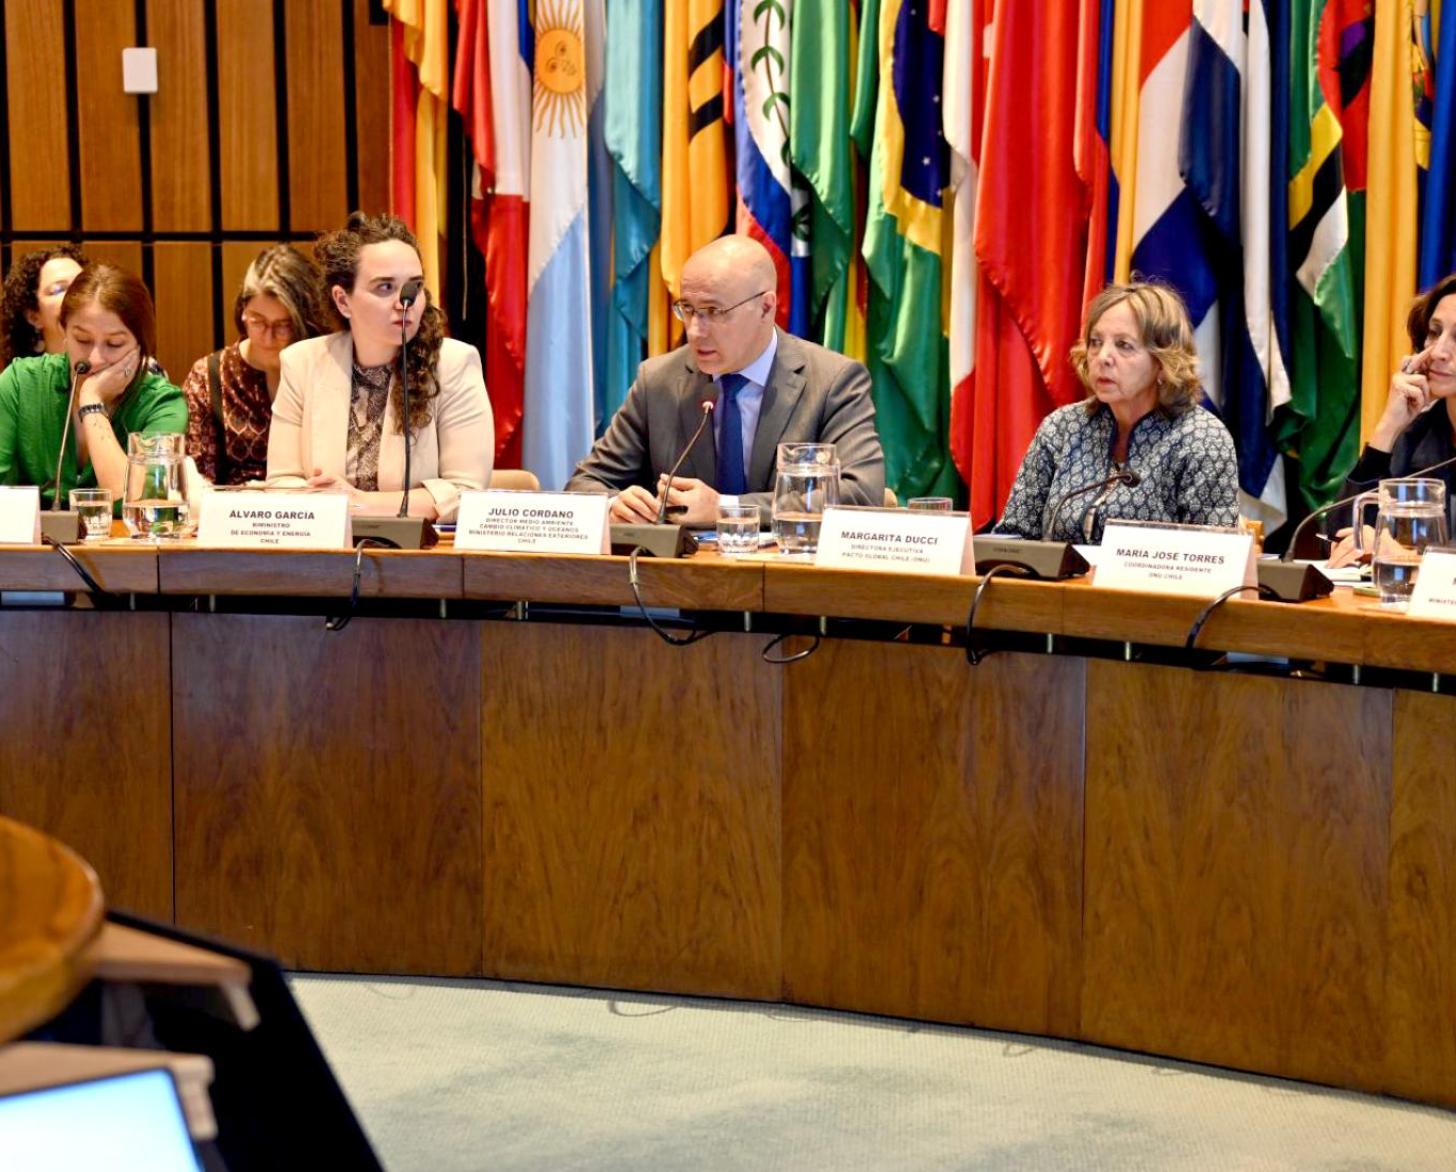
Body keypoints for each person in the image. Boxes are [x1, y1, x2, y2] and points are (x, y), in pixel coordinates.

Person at [564, 235, 885, 524]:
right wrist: (616, 503)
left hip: (788, 577)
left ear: (765, 307)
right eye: (687, 309)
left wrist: (726, 508)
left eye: (714, 312)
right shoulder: (658, 381)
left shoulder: (832, 381)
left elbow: (860, 494)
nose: (695, 330)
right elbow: (585, 484)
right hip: (680, 580)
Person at [266, 212, 492, 522]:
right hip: (325, 553)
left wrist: (358, 503)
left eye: (414, 286)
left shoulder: (453, 364)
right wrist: (321, 502)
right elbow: (281, 483)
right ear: (343, 301)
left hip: (421, 559)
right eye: (385, 287)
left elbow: (466, 494)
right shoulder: (302, 364)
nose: (405, 302)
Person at [996, 280, 1238, 543]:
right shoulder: (1063, 428)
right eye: (1095, 342)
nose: (1102, 357)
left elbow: (1214, 559)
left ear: (1163, 362)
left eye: (1124, 345)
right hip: (1061, 585)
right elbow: (1013, 538)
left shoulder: (1201, 439)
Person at [0, 263, 186, 507]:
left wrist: (91, 403)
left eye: (115, 343)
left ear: (141, 346)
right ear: (63, 331)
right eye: (83, 339)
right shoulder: (19, 383)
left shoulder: (164, 405)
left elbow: (134, 501)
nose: (95, 358)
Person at [1327, 273, 1456, 567]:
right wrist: (1388, 426)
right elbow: (1339, 540)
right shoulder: (1416, 437)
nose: (1438, 352)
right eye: (1434, 333)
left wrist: (1406, 559)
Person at [181, 245, 333, 485]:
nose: (268, 338)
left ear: (306, 321)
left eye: (283, 325)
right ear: (242, 312)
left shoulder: (331, 371)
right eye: (257, 321)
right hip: (234, 515)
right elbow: (194, 480)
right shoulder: (210, 377)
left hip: (314, 510)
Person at [0, 245, 88, 370]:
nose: (77, 293)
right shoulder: (17, 382)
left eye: (82, 283)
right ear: (33, 317)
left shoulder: (122, 371)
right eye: (59, 289)